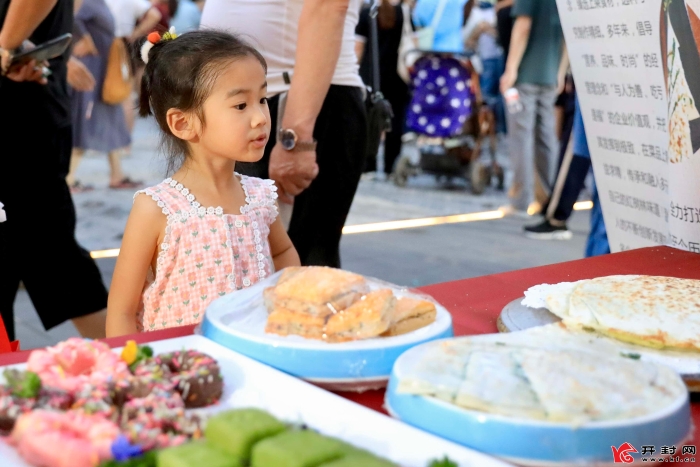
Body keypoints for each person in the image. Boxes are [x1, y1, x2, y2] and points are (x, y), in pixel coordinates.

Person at [106, 30, 300, 337]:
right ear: (183, 123)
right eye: (241, 105)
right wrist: (134, 372)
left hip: (255, 355)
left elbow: (283, 251)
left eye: (262, 99)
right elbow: (122, 310)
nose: (261, 117)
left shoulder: (260, 196)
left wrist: (290, 299)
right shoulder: (158, 208)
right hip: (182, 366)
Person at [200, 0, 367, 268]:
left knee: (294, 273)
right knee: (235, 269)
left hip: (295, 104)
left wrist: (295, 139)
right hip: (258, 99)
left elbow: (328, 6)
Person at [0, 0, 109, 341]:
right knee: (55, 257)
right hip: (25, 113)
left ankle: (136, 362)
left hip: (20, 123)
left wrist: (7, 47)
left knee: (57, 259)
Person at [500, 0, 567, 215]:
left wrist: (510, 69)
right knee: (546, 137)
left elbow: (523, 26)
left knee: (521, 137)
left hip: (525, 74)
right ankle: (546, 198)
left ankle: (520, 201)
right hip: (549, 76)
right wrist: (560, 71)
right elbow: (568, 35)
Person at [66, 0, 139, 191]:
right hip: (92, 72)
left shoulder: (97, 2)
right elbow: (70, 19)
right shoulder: (87, 3)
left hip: (104, 72)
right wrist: (83, 38)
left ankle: (117, 174)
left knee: (110, 120)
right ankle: (69, 178)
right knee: (87, 122)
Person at [356, 0, 410, 176]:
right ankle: (390, 166)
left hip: (370, 75)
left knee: (370, 120)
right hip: (397, 76)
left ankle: (368, 165)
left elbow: (358, 49)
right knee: (395, 121)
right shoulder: (405, 13)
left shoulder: (366, 14)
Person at [104, 0, 162, 132]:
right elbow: (154, 15)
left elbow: (155, 15)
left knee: (122, 92)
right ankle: (123, 141)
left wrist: (134, 34)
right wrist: (135, 33)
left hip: (112, 45)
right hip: (120, 44)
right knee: (125, 92)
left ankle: (121, 140)